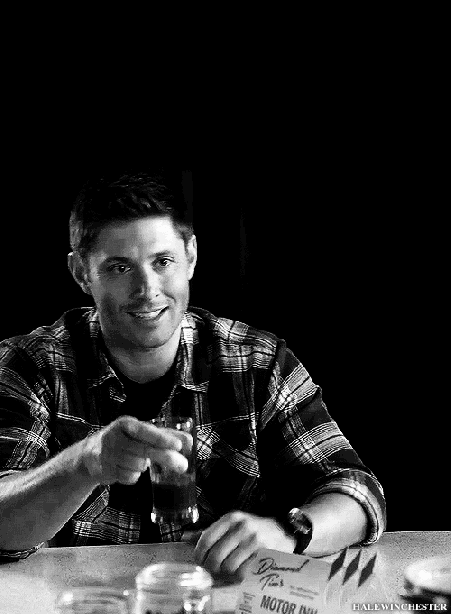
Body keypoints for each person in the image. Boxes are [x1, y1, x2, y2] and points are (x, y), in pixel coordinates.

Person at [0, 171, 386, 580]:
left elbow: (359, 494)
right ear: (81, 273)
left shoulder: (257, 361)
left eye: (162, 262)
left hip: (221, 598)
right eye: (119, 268)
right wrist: (84, 464)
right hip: (83, 601)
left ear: (191, 256)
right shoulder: (29, 364)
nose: (147, 289)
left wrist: (288, 532)